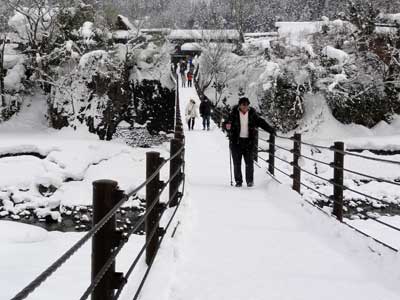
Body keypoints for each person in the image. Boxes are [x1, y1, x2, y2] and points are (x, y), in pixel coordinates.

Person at [225, 97, 276, 187]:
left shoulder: (252, 114)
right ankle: (238, 181)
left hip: (249, 142)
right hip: (236, 142)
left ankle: (249, 181)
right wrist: (227, 126)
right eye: (243, 105)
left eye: (247, 105)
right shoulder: (233, 114)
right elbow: (226, 124)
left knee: (249, 163)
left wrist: (270, 130)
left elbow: (261, 122)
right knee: (237, 163)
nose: (245, 107)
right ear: (239, 105)